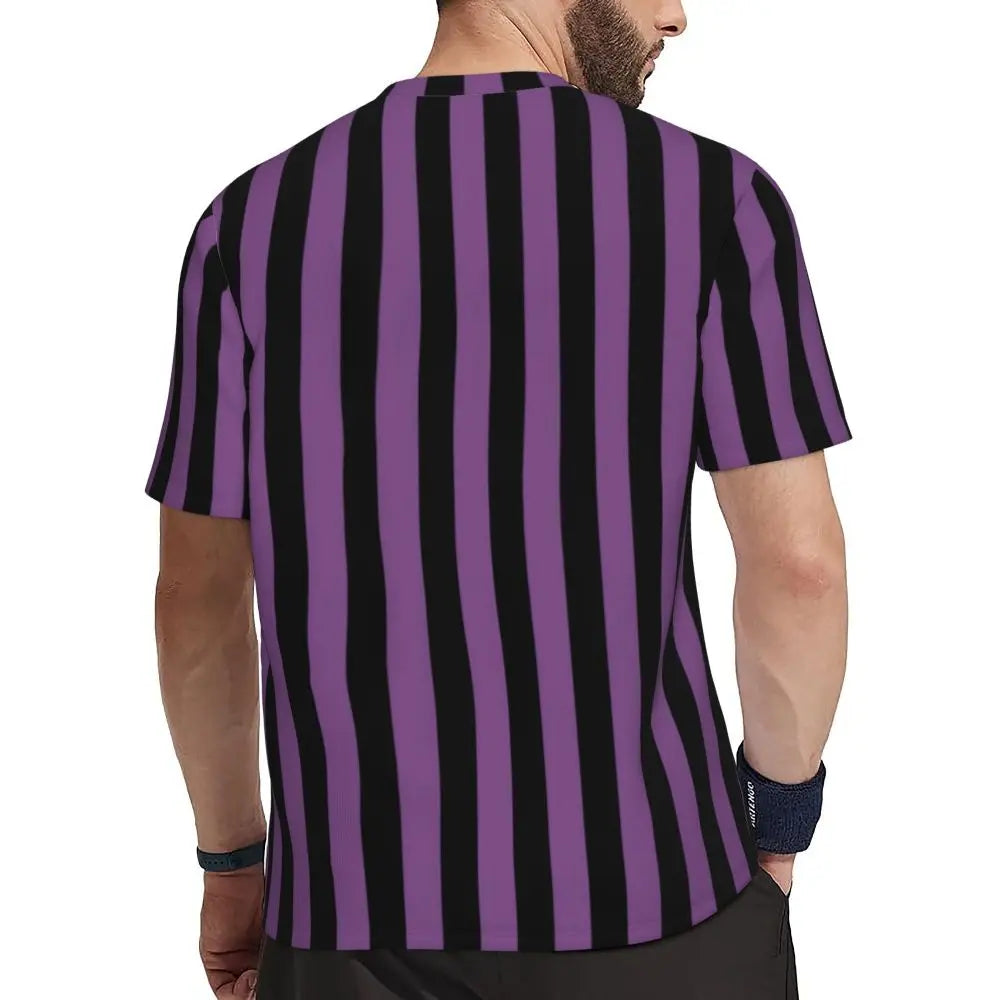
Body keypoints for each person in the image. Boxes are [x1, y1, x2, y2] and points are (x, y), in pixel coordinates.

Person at [146, 0, 852, 997]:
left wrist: (232, 866)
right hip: (664, 907)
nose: (675, 15)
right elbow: (799, 568)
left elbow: (198, 605)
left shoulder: (254, 223)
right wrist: (776, 825)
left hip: (353, 928)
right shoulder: (709, 199)